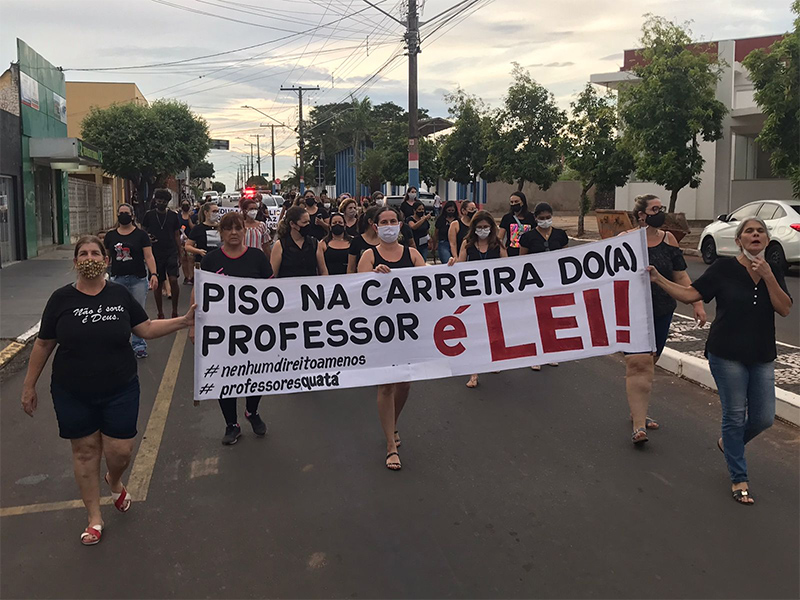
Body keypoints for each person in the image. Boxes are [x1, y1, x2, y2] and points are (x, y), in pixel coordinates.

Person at [21, 236, 194, 545]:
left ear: (106, 261)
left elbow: (146, 329)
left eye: (94, 253)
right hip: (72, 390)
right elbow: (44, 343)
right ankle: (94, 518)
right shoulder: (60, 299)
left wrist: (184, 321)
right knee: (85, 451)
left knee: (120, 451)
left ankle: (113, 480)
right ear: (75, 262)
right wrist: (29, 385)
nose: (89, 257)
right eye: (83, 253)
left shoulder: (120, 295)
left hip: (120, 388)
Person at [648, 217, 792, 504]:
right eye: (748, 231)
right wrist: (659, 279)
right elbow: (691, 293)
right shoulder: (724, 268)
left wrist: (768, 276)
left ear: (766, 239)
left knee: (763, 418)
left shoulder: (772, 269)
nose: (755, 234)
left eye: (760, 231)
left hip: (761, 355)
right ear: (739, 240)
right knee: (735, 414)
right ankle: (739, 477)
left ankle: (729, 443)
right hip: (726, 353)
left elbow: (784, 308)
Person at [625, 194, 706, 444]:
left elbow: (681, 275)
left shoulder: (669, 240)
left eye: (661, 208)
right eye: (654, 209)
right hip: (634, 312)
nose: (660, 212)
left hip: (662, 309)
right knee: (638, 364)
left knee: (652, 359)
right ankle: (639, 425)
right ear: (641, 215)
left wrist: (697, 302)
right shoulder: (625, 242)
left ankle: (636, 409)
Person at [192, 213, 273, 445]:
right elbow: (200, 292)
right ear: (221, 233)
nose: (234, 233)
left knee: (255, 373)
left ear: (245, 231)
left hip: (255, 330)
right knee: (225, 377)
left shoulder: (257, 257)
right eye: (228, 229)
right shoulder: (211, 260)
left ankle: (252, 411)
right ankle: (231, 424)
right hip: (221, 332)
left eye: (238, 228)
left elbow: (272, 291)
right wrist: (193, 325)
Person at [357, 207, 426, 470]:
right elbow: (356, 289)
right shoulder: (369, 255)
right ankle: (390, 445)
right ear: (375, 226)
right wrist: (373, 276)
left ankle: (392, 423)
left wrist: (450, 269)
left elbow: (432, 281)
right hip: (380, 330)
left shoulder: (413, 254)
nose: (389, 225)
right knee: (386, 385)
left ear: (400, 224)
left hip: (409, 329)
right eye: (383, 222)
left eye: (393, 221)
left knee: (404, 385)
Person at [449, 210, 507, 388]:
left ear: (492, 228)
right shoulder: (467, 244)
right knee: (473, 331)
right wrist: (453, 263)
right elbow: (460, 264)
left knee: (493, 330)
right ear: (474, 228)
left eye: (486, 227)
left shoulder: (498, 244)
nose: (483, 230)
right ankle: (473, 372)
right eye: (480, 227)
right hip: (473, 294)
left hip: (492, 294)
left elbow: (508, 266)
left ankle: (493, 362)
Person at [103, 203, 158, 359]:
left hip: (137, 279)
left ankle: (139, 345)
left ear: (132, 215)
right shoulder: (111, 236)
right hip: (117, 279)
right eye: (121, 213)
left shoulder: (141, 235)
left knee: (137, 313)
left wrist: (154, 274)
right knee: (115, 312)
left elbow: (148, 256)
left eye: (126, 212)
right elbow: (106, 257)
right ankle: (117, 344)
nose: (123, 215)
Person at [520, 202, 570, 370]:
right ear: (536, 219)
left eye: (548, 218)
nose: (545, 221)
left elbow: (567, 257)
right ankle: (535, 355)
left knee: (551, 318)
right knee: (535, 317)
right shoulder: (528, 237)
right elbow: (522, 261)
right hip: (535, 283)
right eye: (541, 218)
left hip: (554, 282)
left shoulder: (560, 235)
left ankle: (550, 352)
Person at [141, 189, 181, 319]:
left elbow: (176, 235)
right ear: (155, 200)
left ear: (168, 202)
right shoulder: (149, 215)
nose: (161, 203)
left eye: (164, 201)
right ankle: (160, 312)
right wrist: (147, 239)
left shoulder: (173, 216)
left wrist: (180, 252)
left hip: (171, 250)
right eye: (159, 201)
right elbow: (143, 232)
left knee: (173, 280)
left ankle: (174, 310)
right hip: (155, 253)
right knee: (157, 283)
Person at [271, 205, 328, 277]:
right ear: (292, 224)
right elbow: (273, 274)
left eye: (308, 222)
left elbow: (323, 271)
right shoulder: (280, 245)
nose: (308, 225)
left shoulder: (314, 243)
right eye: (304, 222)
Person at [499, 191, 537, 257]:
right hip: (511, 253)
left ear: (523, 202)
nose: (514, 204)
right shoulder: (507, 218)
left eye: (516, 202)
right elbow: (500, 237)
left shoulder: (531, 217)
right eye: (512, 202)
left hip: (529, 253)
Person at [185, 202, 222, 268]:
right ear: (206, 213)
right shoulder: (198, 228)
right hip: (203, 262)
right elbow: (188, 246)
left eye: (217, 211)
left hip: (219, 261)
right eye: (214, 211)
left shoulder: (222, 227)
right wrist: (198, 251)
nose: (216, 214)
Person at [177, 199, 195, 285]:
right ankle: (186, 276)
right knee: (183, 259)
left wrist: (189, 219)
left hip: (190, 240)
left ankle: (191, 277)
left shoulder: (192, 215)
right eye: (184, 204)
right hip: (181, 240)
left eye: (187, 205)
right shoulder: (178, 216)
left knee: (191, 258)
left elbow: (193, 228)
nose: (185, 206)